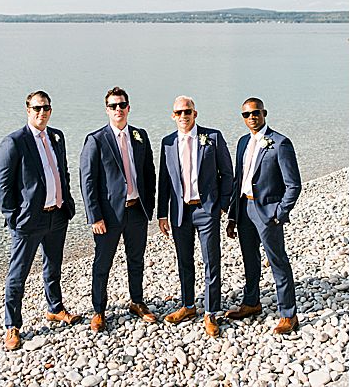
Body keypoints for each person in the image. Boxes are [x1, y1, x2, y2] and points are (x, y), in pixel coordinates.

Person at [0, 90, 83, 350]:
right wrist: (14, 218)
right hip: (28, 222)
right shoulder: (14, 142)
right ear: (27, 109)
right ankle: (12, 325)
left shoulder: (57, 136)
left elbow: (62, 171)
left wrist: (66, 201)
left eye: (45, 108)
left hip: (56, 215)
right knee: (17, 274)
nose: (41, 113)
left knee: (53, 266)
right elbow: (2, 186)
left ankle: (55, 308)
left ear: (50, 110)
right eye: (36, 108)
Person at [79, 87, 159, 331]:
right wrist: (95, 216)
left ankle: (137, 301)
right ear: (107, 110)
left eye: (122, 105)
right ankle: (99, 310)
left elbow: (149, 173)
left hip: (136, 211)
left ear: (128, 107)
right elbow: (87, 180)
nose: (118, 110)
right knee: (103, 263)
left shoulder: (140, 135)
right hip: (109, 215)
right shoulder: (96, 139)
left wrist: (149, 207)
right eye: (113, 106)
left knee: (136, 259)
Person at [157, 95, 234, 336]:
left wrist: (222, 206)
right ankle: (188, 305)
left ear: (195, 113)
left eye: (187, 111)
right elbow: (165, 181)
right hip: (180, 211)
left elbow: (227, 174)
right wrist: (162, 213)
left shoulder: (212, 137)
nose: (183, 116)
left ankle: (211, 312)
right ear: (173, 116)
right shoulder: (168, 142)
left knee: (211, 260)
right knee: (184, 260)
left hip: (206, 209)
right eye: (178, 112)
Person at [225, 97, 302, 334]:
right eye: (246, 115)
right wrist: (232, 215)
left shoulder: (280, 143)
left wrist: (279, 213)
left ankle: (288, 314)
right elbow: (239, 181)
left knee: (277, 261)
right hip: (244, 209)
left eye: (255, 113)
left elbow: (294, 185)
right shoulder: (242, 143)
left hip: (268, 213)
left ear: (264, 113)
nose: (252, 118)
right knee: (250, 260)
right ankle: (251, 303)